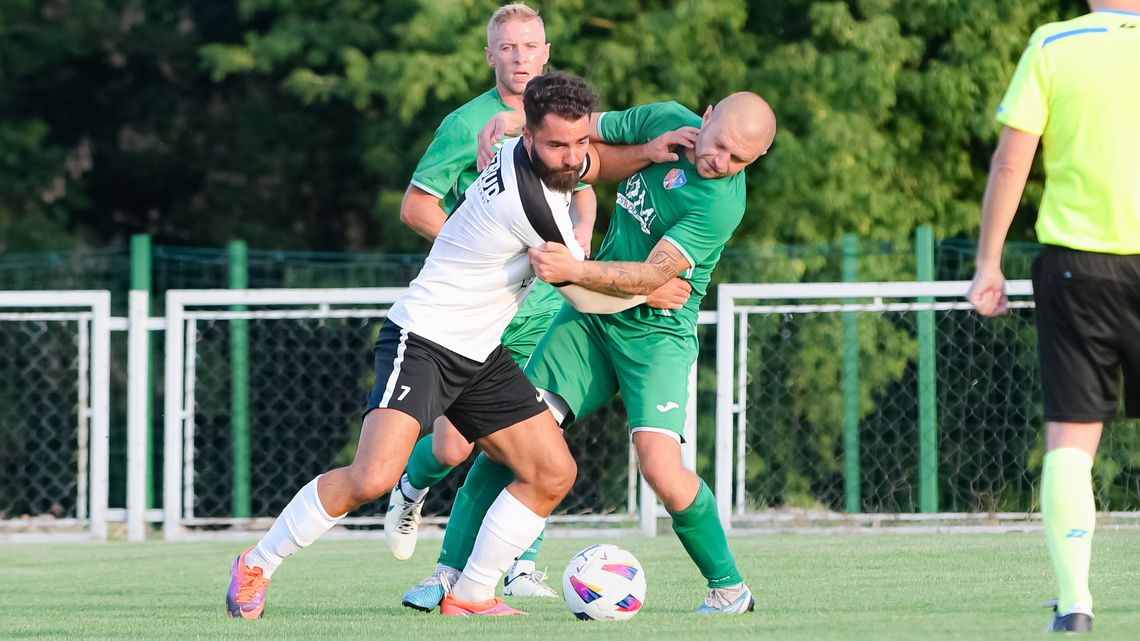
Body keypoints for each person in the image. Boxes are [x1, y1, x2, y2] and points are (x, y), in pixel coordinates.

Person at [225, 72, 690, 620]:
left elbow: (593, 165)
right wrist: (649, 289)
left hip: (479, 353)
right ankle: (257, 562)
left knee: (552, 473)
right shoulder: (534, 208)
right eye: (557, 145)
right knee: (371, 477)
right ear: (532, 136)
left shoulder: (532, 150)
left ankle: (471, 595)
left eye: (580, 141)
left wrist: (645, 150)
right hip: (423, 339)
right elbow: (587, 295)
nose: (572, 158)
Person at [413, 92, 778, 616]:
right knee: (512, 436)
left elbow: (655, 277)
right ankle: (447, 577)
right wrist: (515, 121)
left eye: (738, 159)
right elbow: (584, 131)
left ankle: (728, 589)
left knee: (659, 466)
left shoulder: (722, 203)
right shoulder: (665, 119)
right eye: (719, 144)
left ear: (755, 160)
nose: (720, 162)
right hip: (590, 320)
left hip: (658, 335)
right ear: (708, 114)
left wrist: (574, 268)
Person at [387, 2, 693, 605]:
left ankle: (513, 567)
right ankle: (410, 488)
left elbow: (581, 185)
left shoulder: (561, 116)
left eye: (530, 46)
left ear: (546, 52)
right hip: (481, 315)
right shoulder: (466, 123)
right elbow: (416, 206)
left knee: (538, 438)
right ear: (490, 55)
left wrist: (583, 229)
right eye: (507, 47)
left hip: (546, 308)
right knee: (453, 447)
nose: (520, 56)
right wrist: (487, 248)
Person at [966, 2, 1140, 633]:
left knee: (1072, 441)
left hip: (1081, 267)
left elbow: (1012, 162)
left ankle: (1075, 606)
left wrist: (989, 263)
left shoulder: (1054, 45)